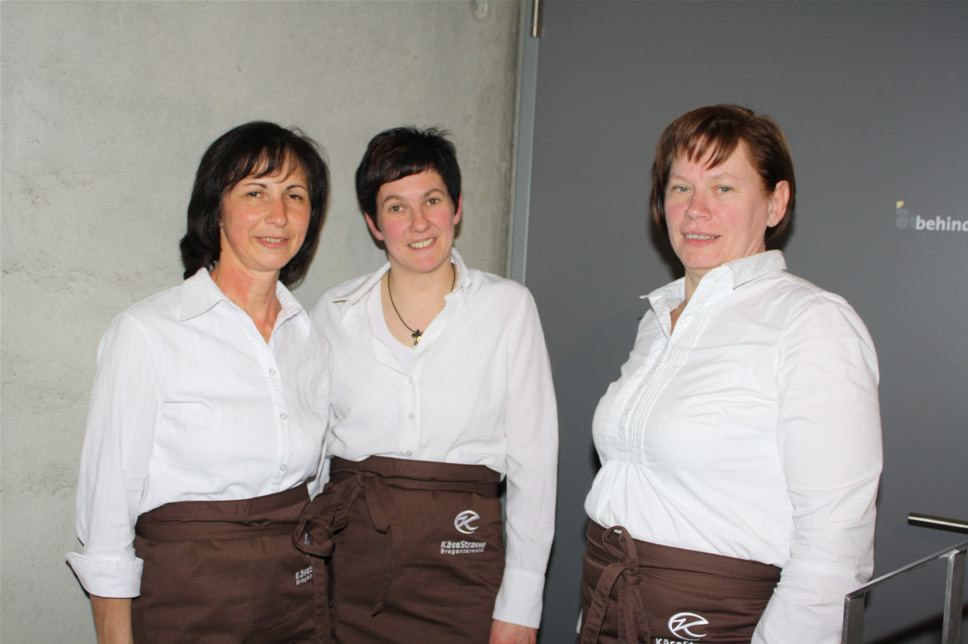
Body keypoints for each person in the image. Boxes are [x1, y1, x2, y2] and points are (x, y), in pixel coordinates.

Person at [579, 105, 882, 644]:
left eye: (723, 188)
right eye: (681, 188)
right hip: (609, 605)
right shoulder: (657, 321)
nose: (696, 210)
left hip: (716, 622)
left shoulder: (811, 323)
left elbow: (835, 546)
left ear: (776, 202)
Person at [67, 121, 331, 643]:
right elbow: (106, 518)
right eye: (255, 192)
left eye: (295, 195)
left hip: (294, 598)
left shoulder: (310, 339)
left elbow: (316, 484)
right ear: (216, 209)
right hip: (186, 600)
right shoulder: (148, 332)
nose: (278, 215)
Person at [295, 126, 558, 644]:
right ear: (374, 223)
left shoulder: (508, 307)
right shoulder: (334, 312)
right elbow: (314, 456)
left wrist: (522, 606)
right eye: (396, 207)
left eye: (432, 200)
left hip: (463, 561)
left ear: (456, 207)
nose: (418, 222)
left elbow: (535, 462)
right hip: (352, 566)